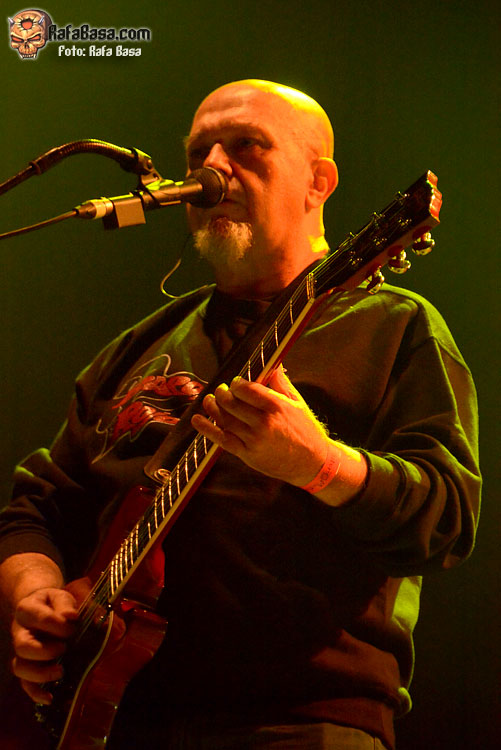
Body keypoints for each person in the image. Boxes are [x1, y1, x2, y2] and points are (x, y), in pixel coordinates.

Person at [0, 80, 481, 750]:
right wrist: (35, 594)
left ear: (318, 182)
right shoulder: (138, 346)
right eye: (199, 151)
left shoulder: (392, 327)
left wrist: (318, 465)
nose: (213, 167)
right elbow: (36, 507)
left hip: (302, 720)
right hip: (116, 718)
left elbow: (448, 522)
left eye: (248, 146)